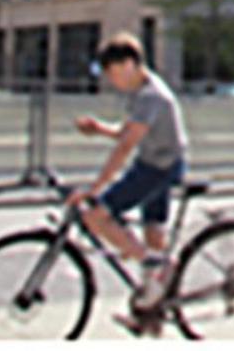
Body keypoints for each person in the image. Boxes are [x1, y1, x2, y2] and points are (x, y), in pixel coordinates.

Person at [68, 33, 188, 334]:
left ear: (131, 64)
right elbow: (129, 132)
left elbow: (125, 147)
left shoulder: (151, 96)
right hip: (159, 163)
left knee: (96, 217)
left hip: (158, 168)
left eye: (113, 72)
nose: (111, 80)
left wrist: (94, 191)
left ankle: (158, 268)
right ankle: (153, 309)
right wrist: (100, 130)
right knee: (153, 233)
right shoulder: (142, 91)